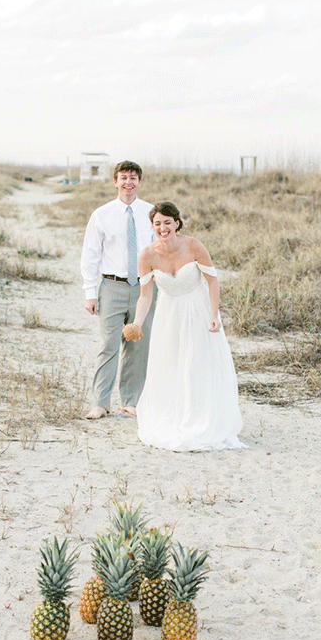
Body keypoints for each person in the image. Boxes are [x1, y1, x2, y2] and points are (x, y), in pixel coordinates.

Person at [123, 201, 246, 451]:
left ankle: (200, 418)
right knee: (171, 364)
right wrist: (137, 323)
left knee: (195, 364)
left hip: (199, 311)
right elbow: (146, 295)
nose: (162, 228)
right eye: (157, 224)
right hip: (169, 316)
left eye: (167, 222)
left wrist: (214, 314)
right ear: (153, 227)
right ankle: (176, 417)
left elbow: (212, 281)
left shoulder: (193, 245)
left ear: (176, 223)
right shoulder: (147, 255)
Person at [81, 161, 156, 419]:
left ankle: (130, 400)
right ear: (115, 181)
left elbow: (159, 250)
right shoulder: (101, 215)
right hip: (111, 287)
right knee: (109, 344)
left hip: (143, 289)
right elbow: (90, 256)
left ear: (140, 182)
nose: (128, 182)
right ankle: (100, 402)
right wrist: (90, 292)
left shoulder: (150, 213)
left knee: (138, 346)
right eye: (123, 177)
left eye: (133, 177)